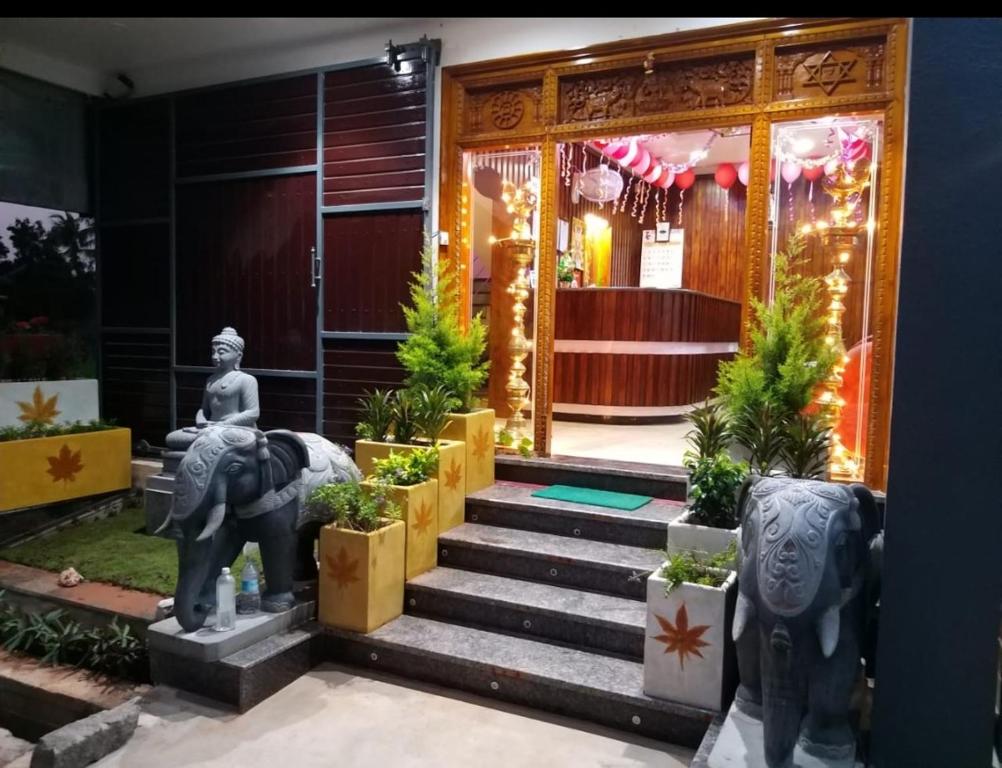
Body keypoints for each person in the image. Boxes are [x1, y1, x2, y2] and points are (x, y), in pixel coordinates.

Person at [165, 327, 259, 453]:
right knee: (172, 438)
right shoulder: (211, 380)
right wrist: (201, 420)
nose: (215, 356)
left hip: (235, 429)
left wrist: (222, 424)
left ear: (238, 356)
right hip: (210, 427)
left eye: (221, 352)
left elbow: (253, 413)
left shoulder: (246, 379)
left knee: (209, 439)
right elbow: (204, 409)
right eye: (213, 352)